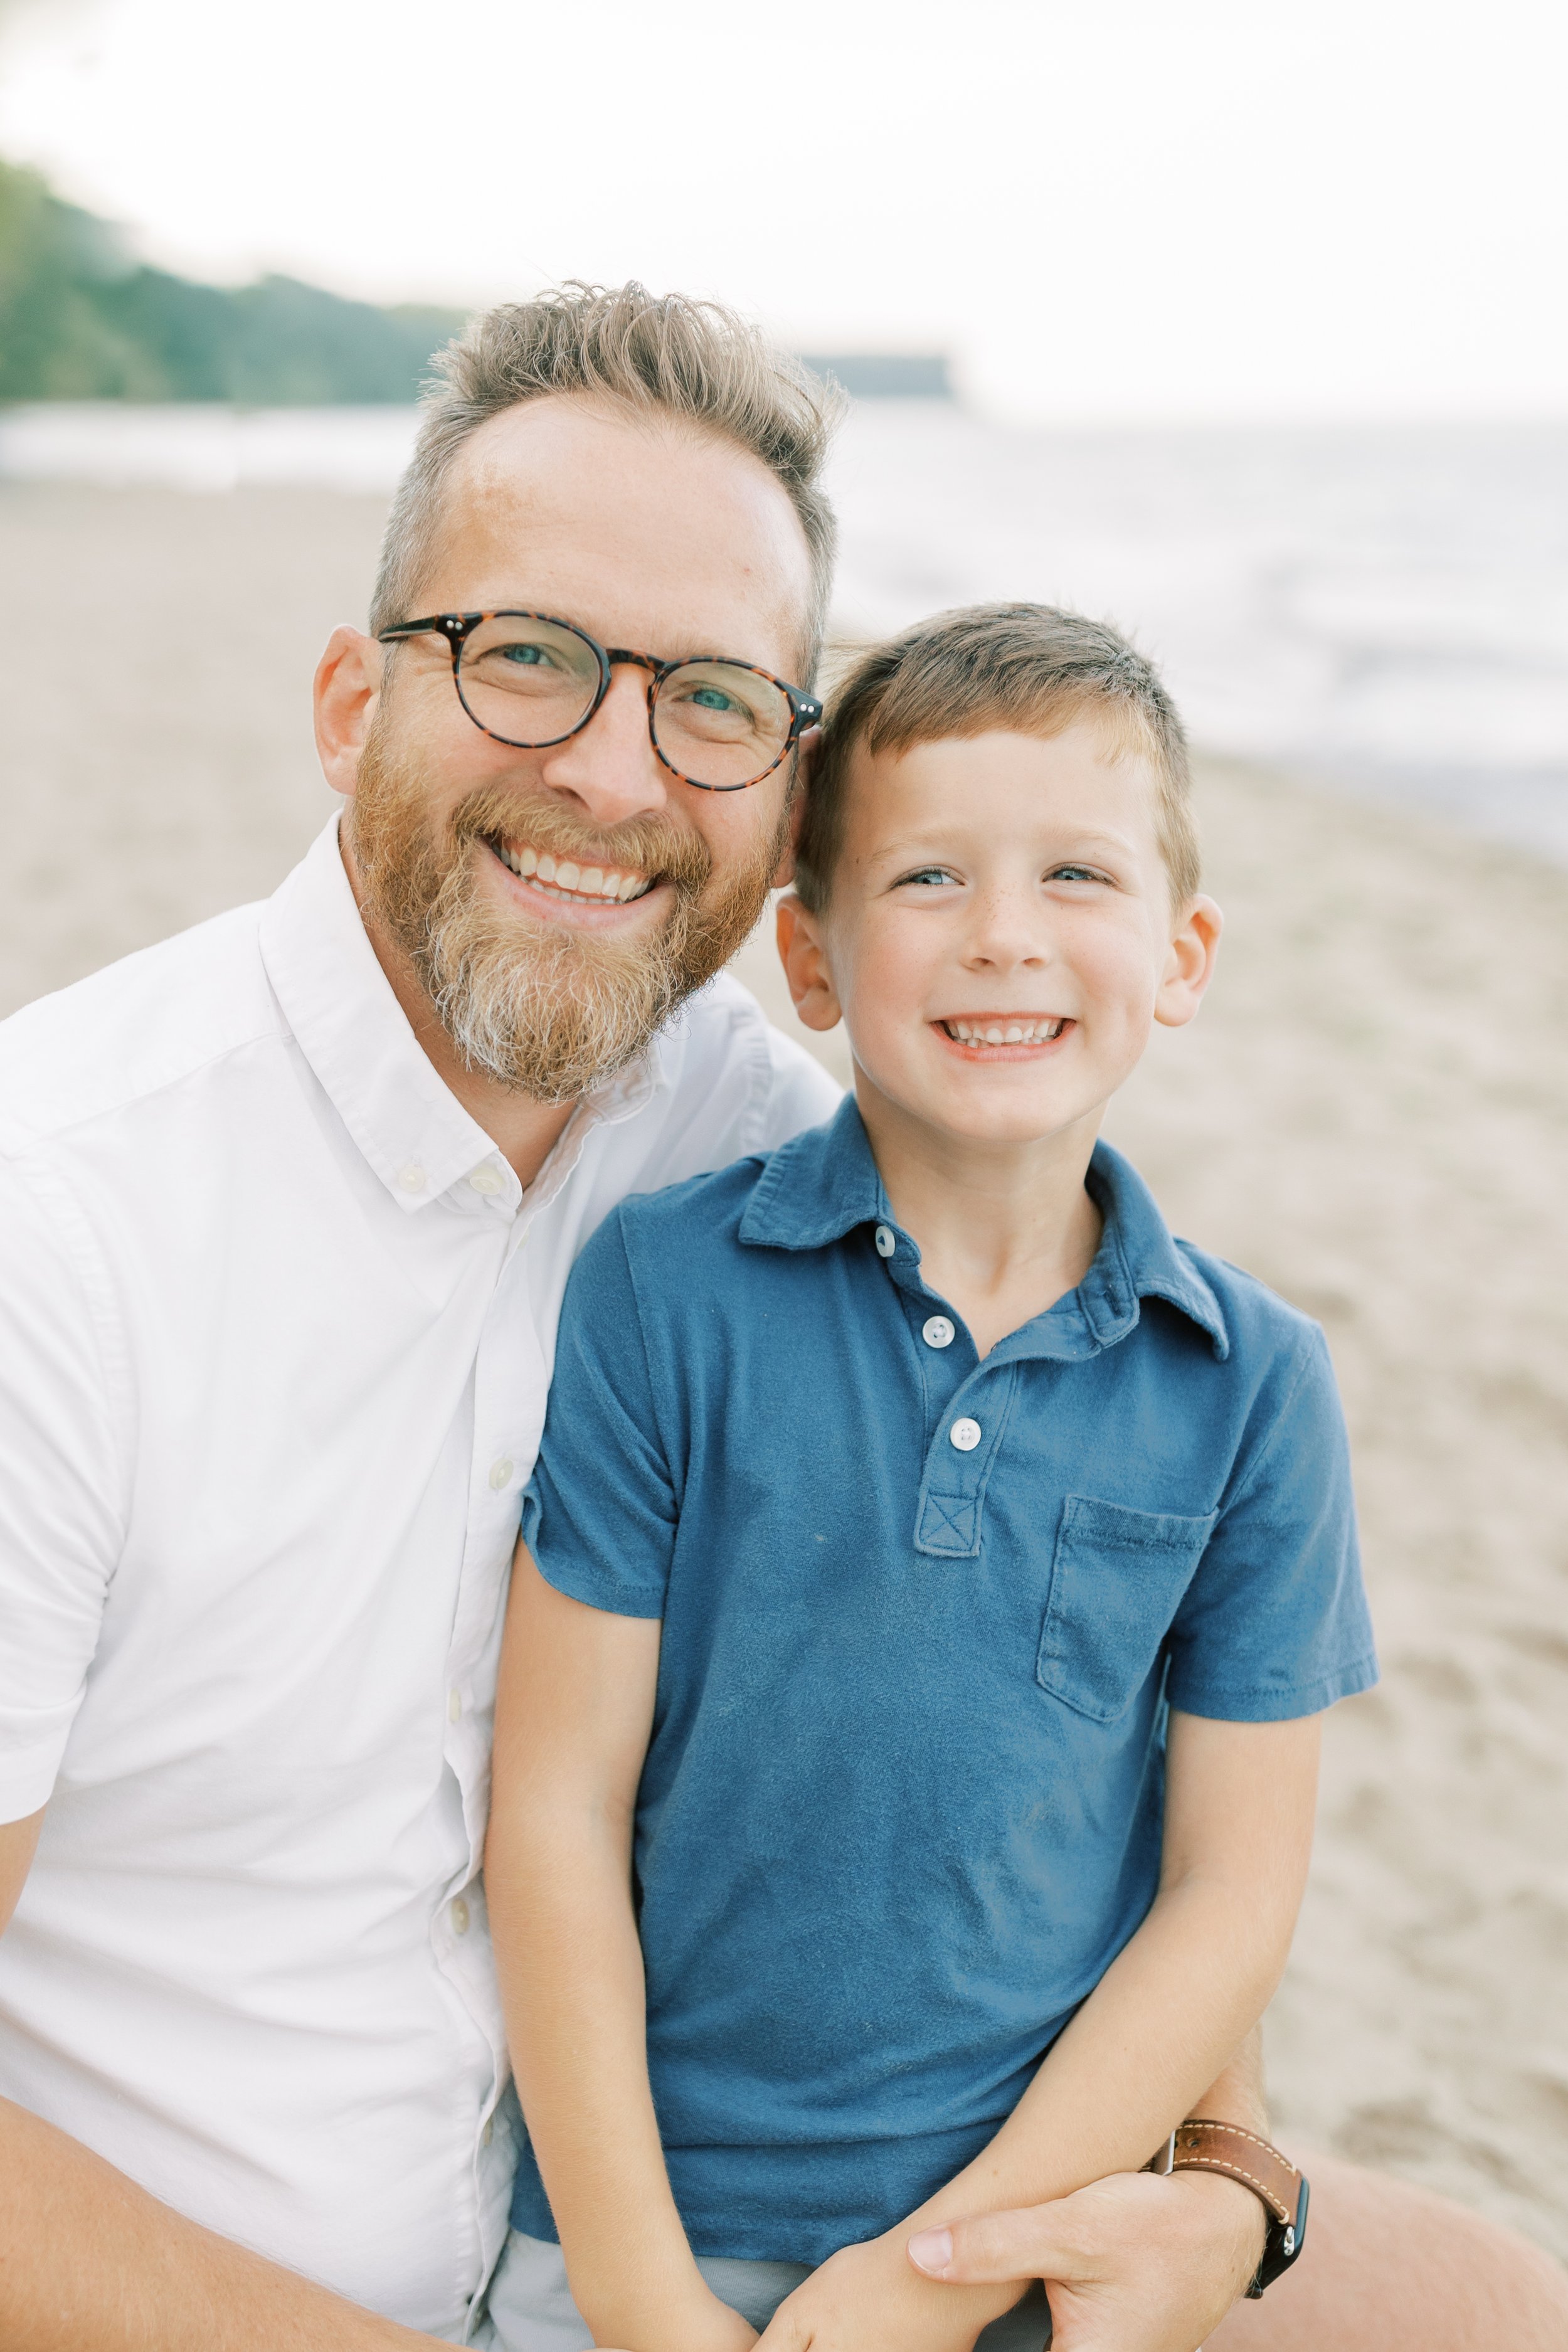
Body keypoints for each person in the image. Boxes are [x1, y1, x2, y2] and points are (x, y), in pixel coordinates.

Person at [0, 283, 1556, 2352]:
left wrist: (1226, 2181)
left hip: (797, 2233)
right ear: (349, 701)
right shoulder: (63, 1211)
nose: (613, 775)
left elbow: (1112, 1782)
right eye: (528, 657)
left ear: (786, 788)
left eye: (715, 702)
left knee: (1482, 2298)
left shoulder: (774, 1151)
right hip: (281, 2298)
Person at [483, 603, 1378, 2351]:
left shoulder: (1255, 1385)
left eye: (1074, 880)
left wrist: (942, 2268)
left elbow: (1227, 1894)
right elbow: (553, 1807)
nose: (1001, 940)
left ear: (1181, 953)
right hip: (646, 2229)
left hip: (1028, 2251)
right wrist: (637, 2290)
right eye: (925, 883)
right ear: (807, 961)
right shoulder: (667, 1293)